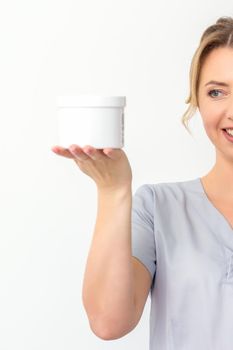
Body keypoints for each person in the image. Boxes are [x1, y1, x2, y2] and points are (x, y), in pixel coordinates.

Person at [51, 15, 233, 349]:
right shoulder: (158, 208)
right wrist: (113, 190)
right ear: (197, 100)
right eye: (217, 91)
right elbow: (108, 322)